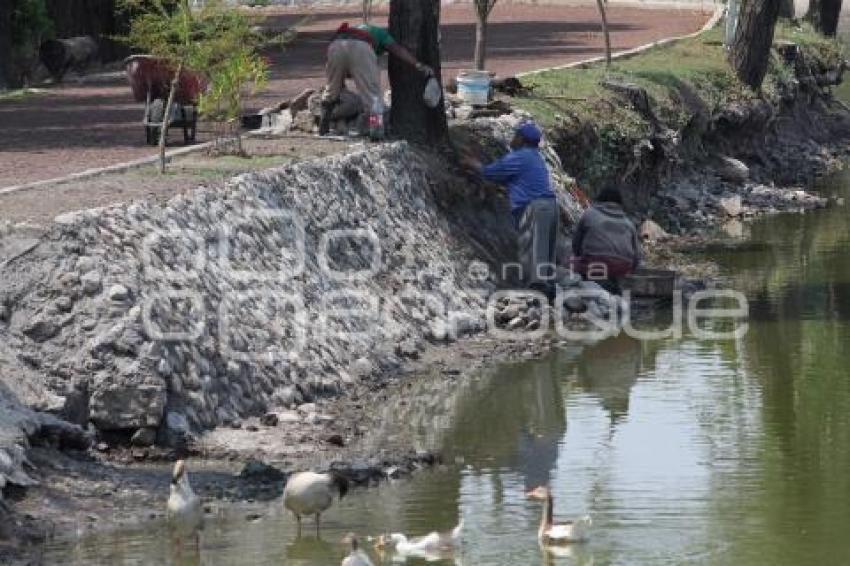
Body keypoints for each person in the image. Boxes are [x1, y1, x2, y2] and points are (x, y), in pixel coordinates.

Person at [462, 122, 558, 299]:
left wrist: (472, 164)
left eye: (515, 135)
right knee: (545, 252)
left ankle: (537, 295)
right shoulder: (535, 157)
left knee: (533, 251)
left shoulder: (519, 157)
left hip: (534, 207)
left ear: (521, 139)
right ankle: (549, 292)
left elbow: (491, 173)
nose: (512, 139)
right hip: (550, 207)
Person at [320, 22, 434, 135]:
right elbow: (397, 49)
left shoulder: (357, 29)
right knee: (373, 97)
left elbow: (337, 73)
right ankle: (376, 130)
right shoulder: (383, 34)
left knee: (331, 90)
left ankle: (323, 125)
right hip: (360, 47)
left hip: (336, 45)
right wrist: (418, 64)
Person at [570, 186, 640, 292]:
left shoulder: (589, 215)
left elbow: (576, 245)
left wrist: (581, 257)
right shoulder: (628, 223)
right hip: (622, 267)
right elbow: (637, 256)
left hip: (595, 265)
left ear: (599, 199)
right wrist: (630, 269)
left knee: (571, 262)